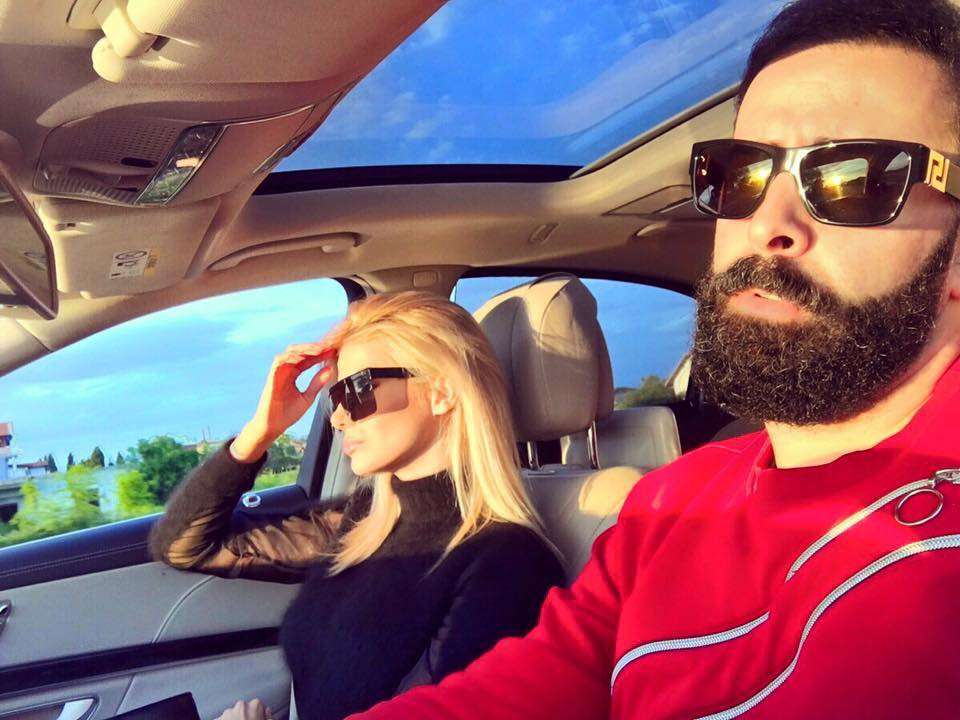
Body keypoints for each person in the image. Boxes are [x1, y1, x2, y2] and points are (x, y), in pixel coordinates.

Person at [348, 1, 960, 718]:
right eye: (743, 173)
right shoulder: (669, 505)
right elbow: (512, 694)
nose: (769, 224)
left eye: (855, 179)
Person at [148, 291, 564, 720]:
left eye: (358, 389)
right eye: (336, 397)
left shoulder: (508, 563)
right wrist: (260, 432)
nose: (338, 417)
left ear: (441, 390)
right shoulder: (363, 521)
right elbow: (184, 545)